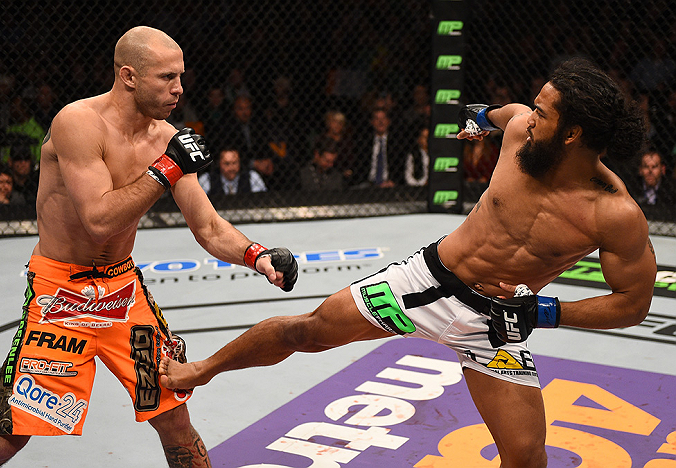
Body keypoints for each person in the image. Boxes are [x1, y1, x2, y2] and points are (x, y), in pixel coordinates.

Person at [159, 58, 657, 467]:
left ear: (572, 135)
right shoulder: (522, 130)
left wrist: (544, 312)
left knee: (527, 457)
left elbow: (632, 304)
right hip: (426, 282)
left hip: (497, 322)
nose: (532, 115)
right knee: (307, 331)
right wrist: (478, 119)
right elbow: (501, 113)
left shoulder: (614, 213)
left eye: (545, 113)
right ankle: (200, 370)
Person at [0, 26, 298, 468]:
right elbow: (98, 221)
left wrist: (257, 254)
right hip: (59, 295)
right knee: (11, 436)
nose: (179, 88)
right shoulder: (78, 122)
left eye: (181, 76)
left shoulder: (164, 137)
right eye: (166, 77)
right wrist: (166, 169)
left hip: (123, 293)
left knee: (174, 419)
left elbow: (207, 226)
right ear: (129, 76)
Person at [351, 108, 405, 188]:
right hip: (367, 184)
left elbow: (401, 166)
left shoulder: (397, 143)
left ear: (388, 121)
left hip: (390, 184)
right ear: (372, 122)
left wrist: (394, 181)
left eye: (383, 118)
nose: (380, 122)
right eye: (377, 119)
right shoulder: (364, 142)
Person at [628, 148, 675, 220]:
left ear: (662, 169)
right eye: (646, 167)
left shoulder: (672, 189)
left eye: (654, 167)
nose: (650, 171)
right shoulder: (631, 187)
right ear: (640, 170)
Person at [199, 147, 267, 195]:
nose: (231, 168)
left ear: (239, 162)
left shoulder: (252, 177)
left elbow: (262, 200)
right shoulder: (207, 179)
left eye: (234, 163)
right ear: (219, 164)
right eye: (226, 164)